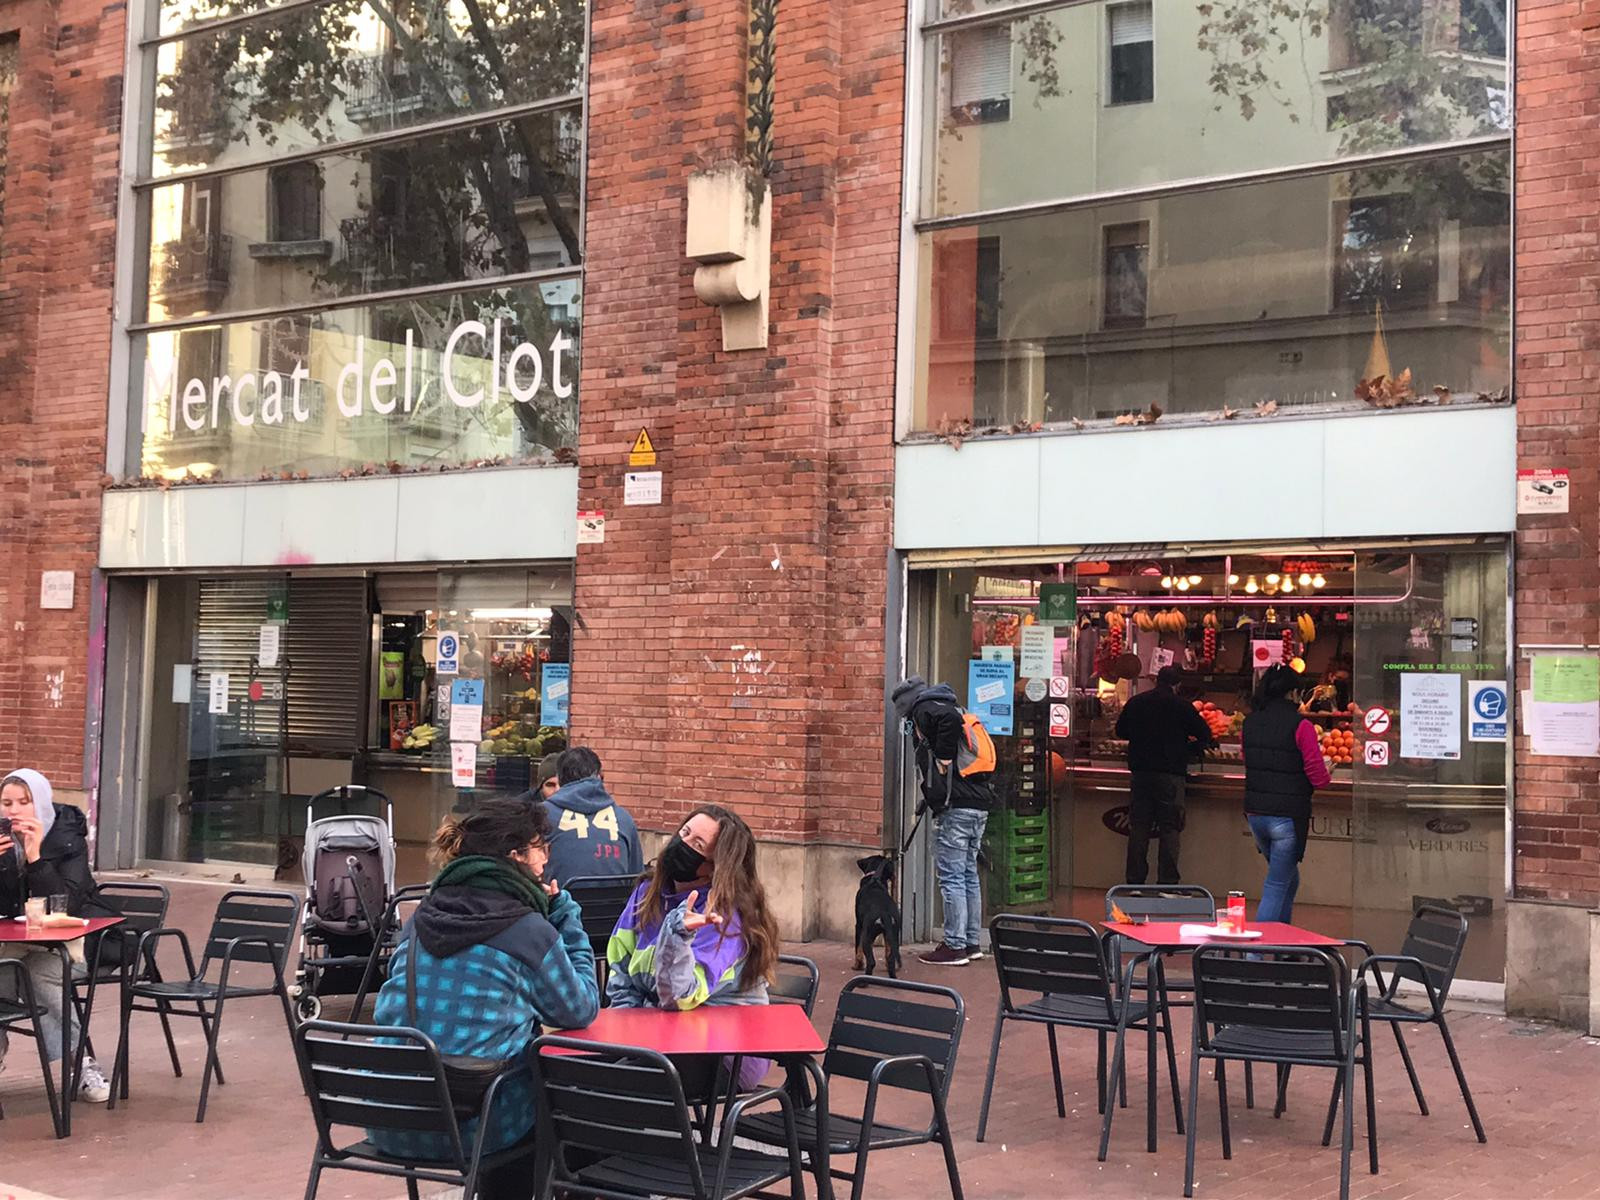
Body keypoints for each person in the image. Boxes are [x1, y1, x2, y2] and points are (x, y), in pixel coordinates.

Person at [369, 799, 599, 1200]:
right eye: (540, 846)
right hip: (475, 1126)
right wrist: (566, 919)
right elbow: (578, 1008)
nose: (546, 857)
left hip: (392, 1120)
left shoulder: (419, 920)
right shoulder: (527, 931)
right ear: (517, 857)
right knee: (581, 1119)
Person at [606, 804, 779, 1090]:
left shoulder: (726, 916)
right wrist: (627, 1029)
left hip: (726, 1051)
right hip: (658, 1033)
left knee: (621, 1082)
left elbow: (680, 998)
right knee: (579, 1067)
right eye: (684, 833)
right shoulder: (647, 894)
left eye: (697, 844)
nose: (682, 845)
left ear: (715, 868)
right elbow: (620, 970)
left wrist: (679, 935)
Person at [0, 769, 114, 1103]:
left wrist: (35, 858)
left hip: (77, 942)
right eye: (7, 803)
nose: (15, 811)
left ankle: (79, 1065)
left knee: (40, 972)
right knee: (3, 969)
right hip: (22, 941)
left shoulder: (67, 839)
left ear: (42, 803)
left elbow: (65, 905)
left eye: (25, 802)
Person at [891, 677, 996, 967]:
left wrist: (945, 759)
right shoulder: (950, 703)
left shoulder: (927, 707)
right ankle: (971, 942)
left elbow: (946, 721)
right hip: (977, 804)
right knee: (966, 875)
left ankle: (954, 945)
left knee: (951, 877)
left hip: (957, 807)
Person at [1240, 664, 1331, 924]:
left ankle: (1283, 944)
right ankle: (1256, 955)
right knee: (1277, 884)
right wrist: (1328, 771)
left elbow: (1247, 759)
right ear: (1293, 693)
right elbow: (1318, 777)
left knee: (1289, 879)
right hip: (1287, 817)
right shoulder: (1301, 726)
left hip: (1256, 813)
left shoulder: (1250, 723)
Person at [1114, 665, 1215, 885]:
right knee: (1170, 829)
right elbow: (1205, 734)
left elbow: (1120, 731)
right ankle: (1167, 883)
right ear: (1177, 685)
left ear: (1156, 681)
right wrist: (1186, 746)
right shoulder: (1182, 706)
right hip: (1171, 775)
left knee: (1139, 828)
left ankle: (1134, 882)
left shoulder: (1137, 702)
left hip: (1141, 774)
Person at [539, 747, 643, 882]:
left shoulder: (541, 815)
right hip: (614, 902)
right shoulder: (623, 818)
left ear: (560, 779)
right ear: (600, 776)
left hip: (557, 900)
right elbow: (637, 879)